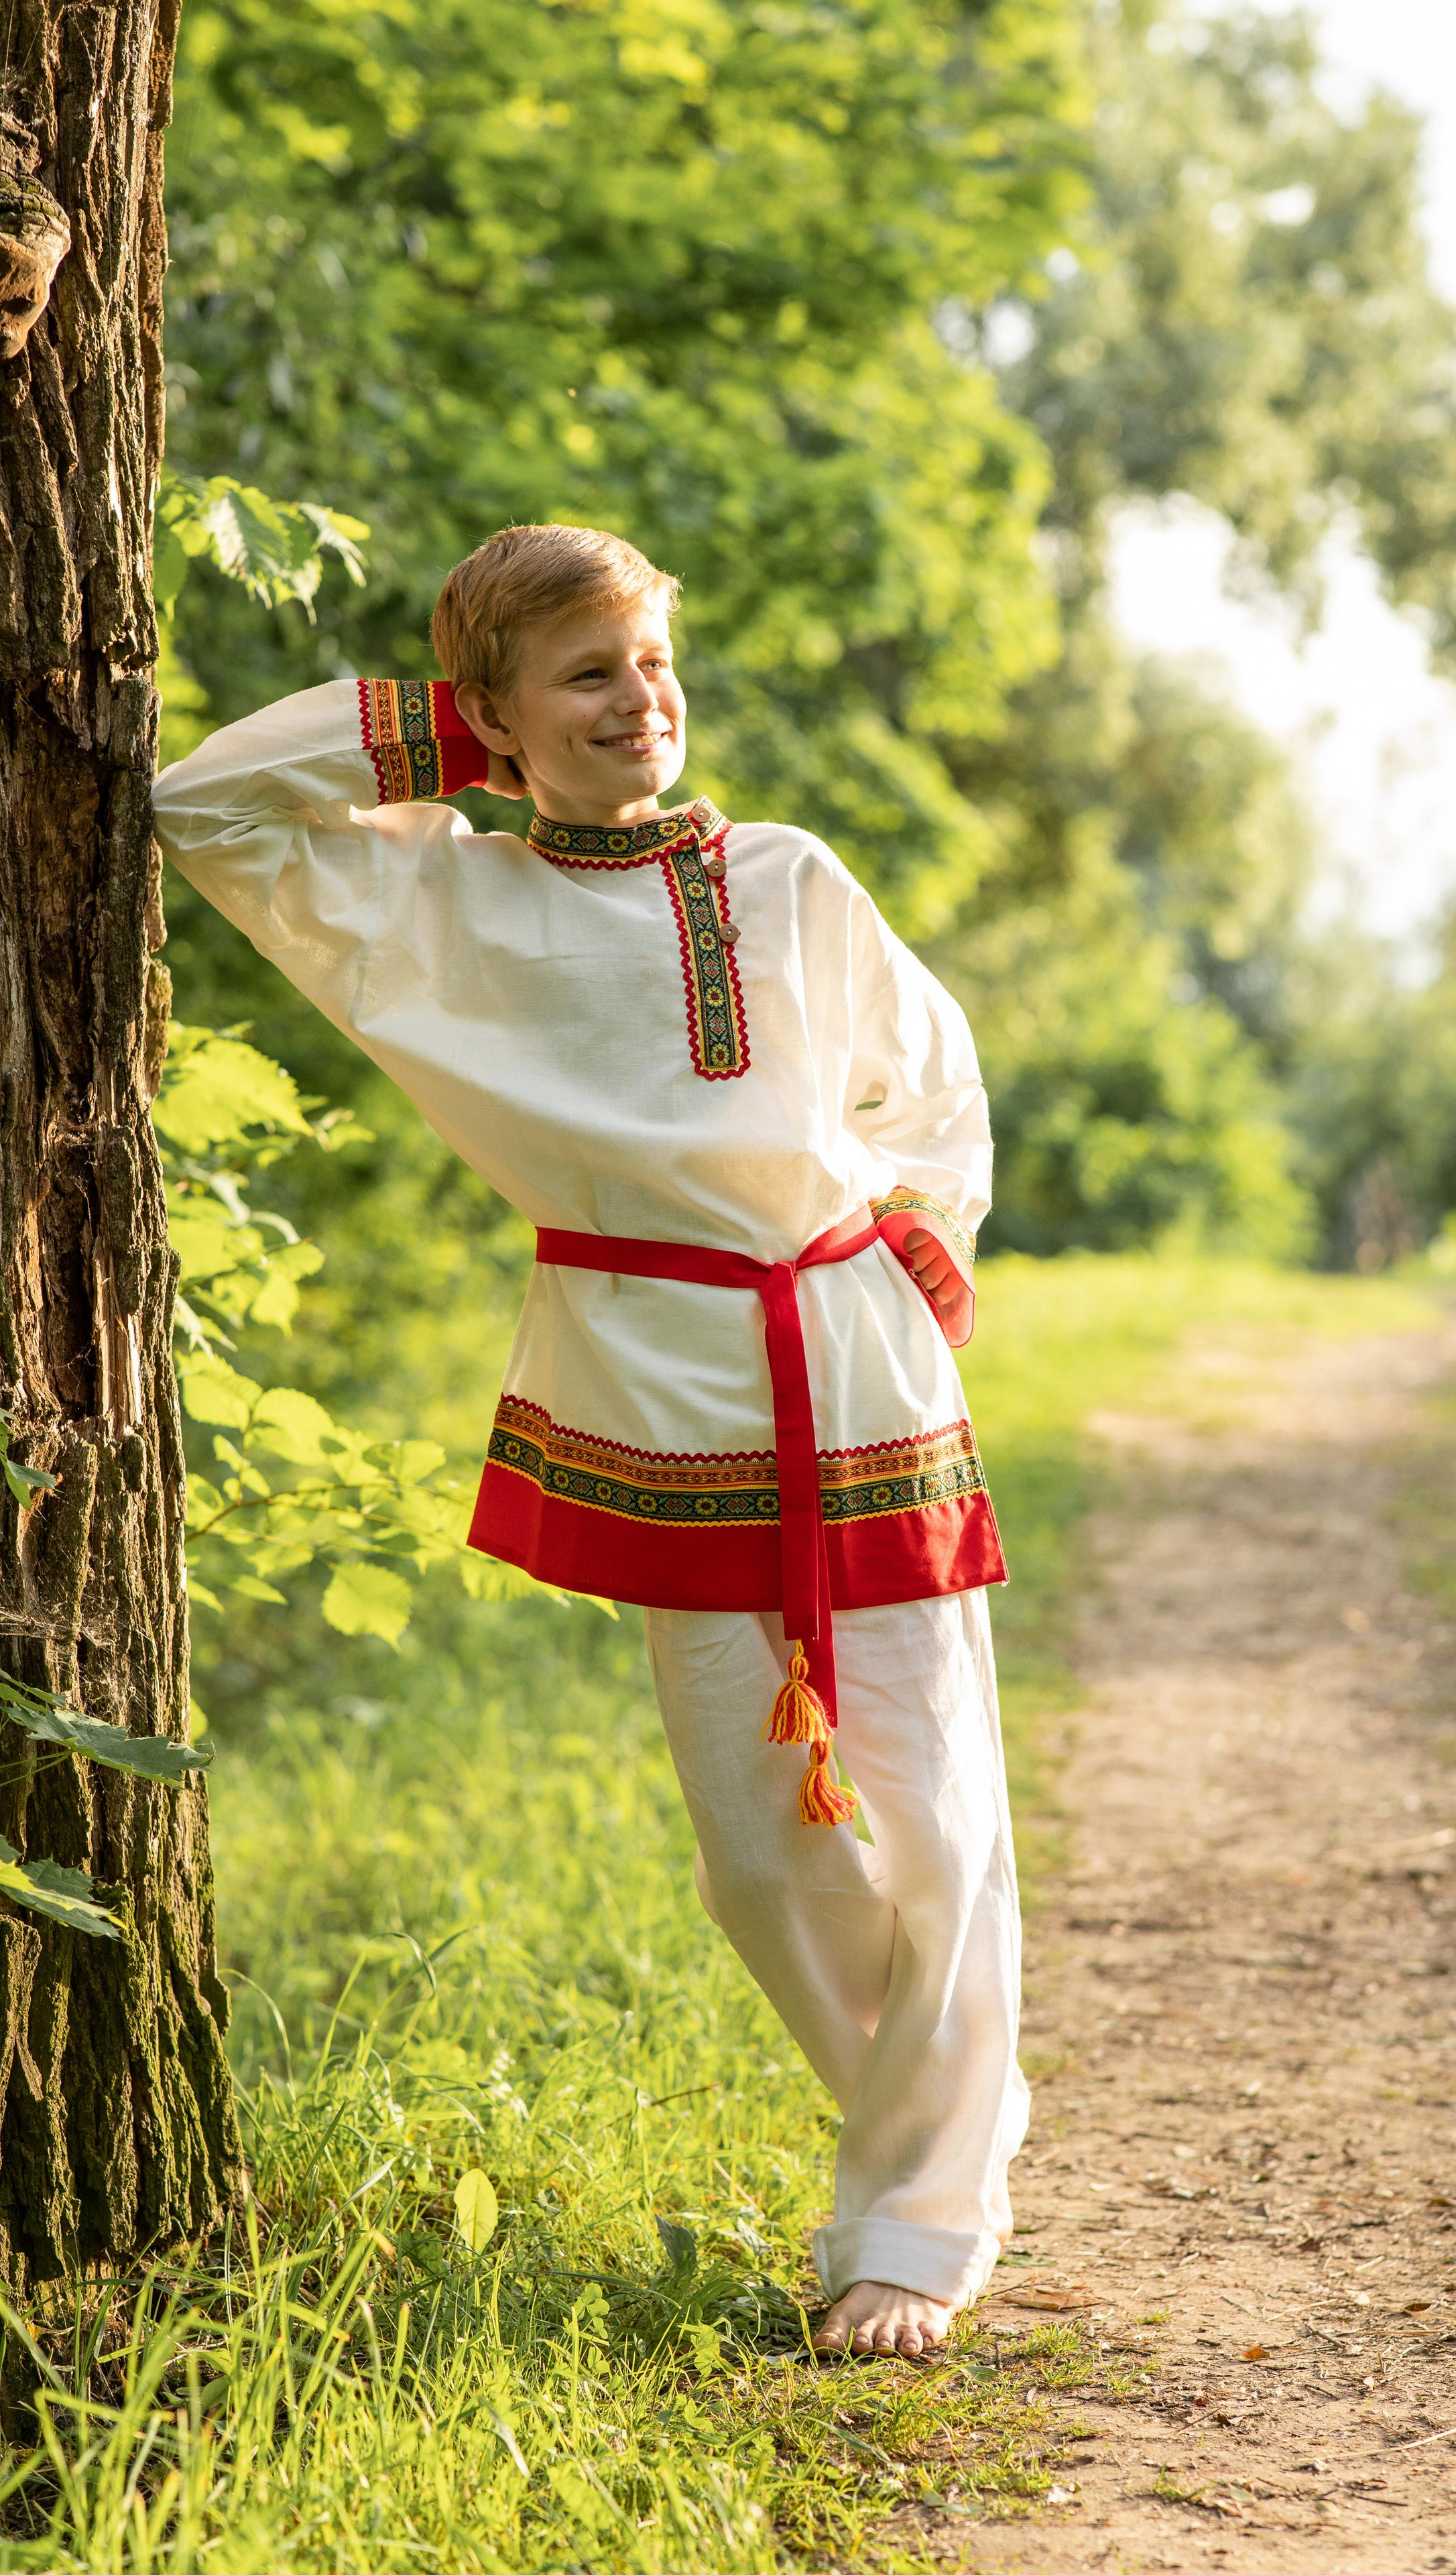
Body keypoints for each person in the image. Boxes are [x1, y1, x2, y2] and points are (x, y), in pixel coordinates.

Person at [152, 522, 1029, 2360]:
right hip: (650, 1381)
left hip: (850, 1356)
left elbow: (929, 1087)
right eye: (585, 676)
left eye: (650, 661)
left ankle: (918, 2215)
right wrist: (449, 748)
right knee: (761, 1848)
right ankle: (934, 2110)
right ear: (496, 718)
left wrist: (912, 1282)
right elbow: (208, 806)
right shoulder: (442, 908)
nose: (643, 701)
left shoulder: (789, 878)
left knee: (936, 1810)